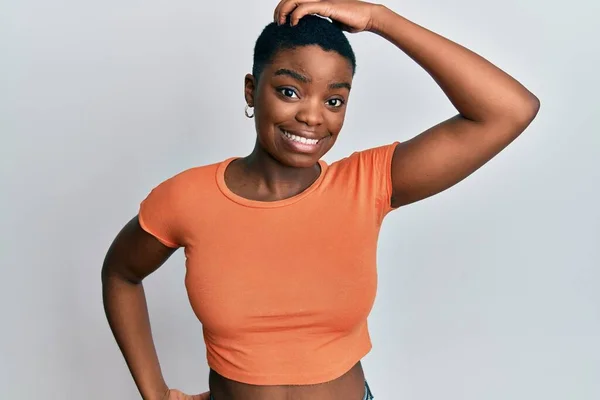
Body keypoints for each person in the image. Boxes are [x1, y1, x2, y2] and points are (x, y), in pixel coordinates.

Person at [101, 1, 540, 399]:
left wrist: (378, 19)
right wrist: (154, 394)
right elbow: (121, 273)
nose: (313, 116)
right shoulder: (187, 197)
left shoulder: (366, 184)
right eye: (289, 91)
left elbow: (509, 110)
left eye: (334, 99)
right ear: (252, 90)